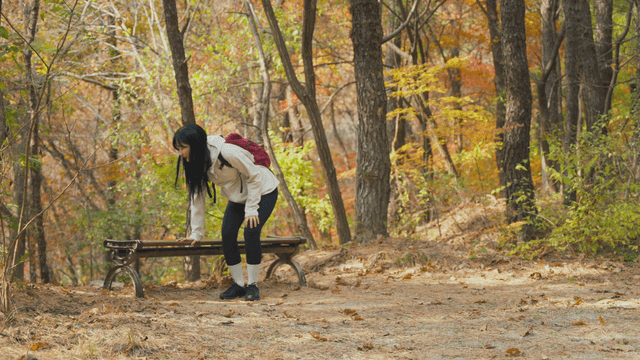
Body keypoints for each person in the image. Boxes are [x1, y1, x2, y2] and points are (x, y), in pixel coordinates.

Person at [172, 123, 279, 301]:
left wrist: (252, 209)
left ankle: (252, 286)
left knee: (251, 232)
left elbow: (254, 176)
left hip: (263, 190)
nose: (180, 153)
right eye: (178, 149)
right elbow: (197, 197)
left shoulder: (228, 153)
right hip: (238, 196)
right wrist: (196, 232)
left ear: (196, 144)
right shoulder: (195, 161)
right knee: (227, 234)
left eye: (183, 148)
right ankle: (238, 284)